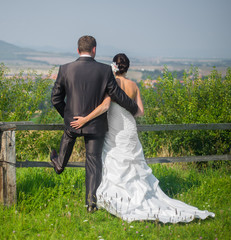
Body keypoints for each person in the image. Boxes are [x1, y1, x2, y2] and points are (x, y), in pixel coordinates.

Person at [70, 53, 215, 223]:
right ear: (127, 68)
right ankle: (138, 195)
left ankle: (118, 198)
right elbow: (140, 111)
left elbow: (105, 106)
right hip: (129, 128)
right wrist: (125, 112)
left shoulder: (111, 83)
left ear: (113, 66)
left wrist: (85, 119)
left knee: (114, 159)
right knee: (133, 163)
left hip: (115, 128)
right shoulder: (134, 86)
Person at [50, 36, 139, 213]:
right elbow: (118, 95)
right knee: (93, 163)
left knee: (69, 136)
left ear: (78, 50)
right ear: (94, 50)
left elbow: (55, 98)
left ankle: (59, 164)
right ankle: (91, 204)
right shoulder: (104, 70)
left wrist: (68, 116)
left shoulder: (65, 69)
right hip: (96, 126)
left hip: (72, 123)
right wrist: (133, 108)